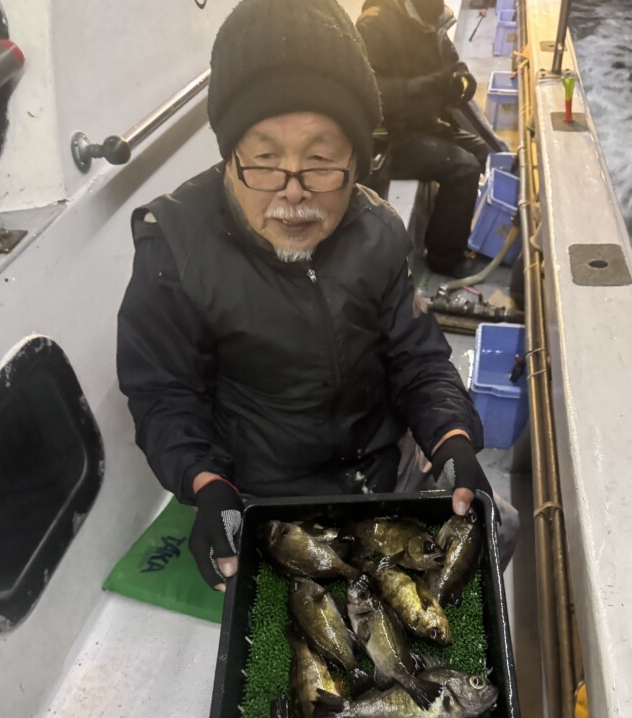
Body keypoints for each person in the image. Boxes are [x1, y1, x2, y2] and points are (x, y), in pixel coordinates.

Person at [117, 0, 518, 591]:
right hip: (269, 495)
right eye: (264, 160)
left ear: (358, 160)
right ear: (230, 155)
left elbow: (418, 359)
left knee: (502, 527)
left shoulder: (378, 229)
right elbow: (163, 394)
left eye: (322, 160)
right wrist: (207, 484)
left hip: (384, 468)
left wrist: (452, 441)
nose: (293, 192)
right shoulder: (174, 250)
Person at [356, 0, 498, 278]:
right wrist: (432, 83)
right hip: (388, 139)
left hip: (422, 124)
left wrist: (458, 80)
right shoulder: (374, 24)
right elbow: (373, 92)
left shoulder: (433, 18)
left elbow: (448, 62)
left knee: (481, 150)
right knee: (464, 168)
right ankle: (444, 259)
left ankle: (465, 231)